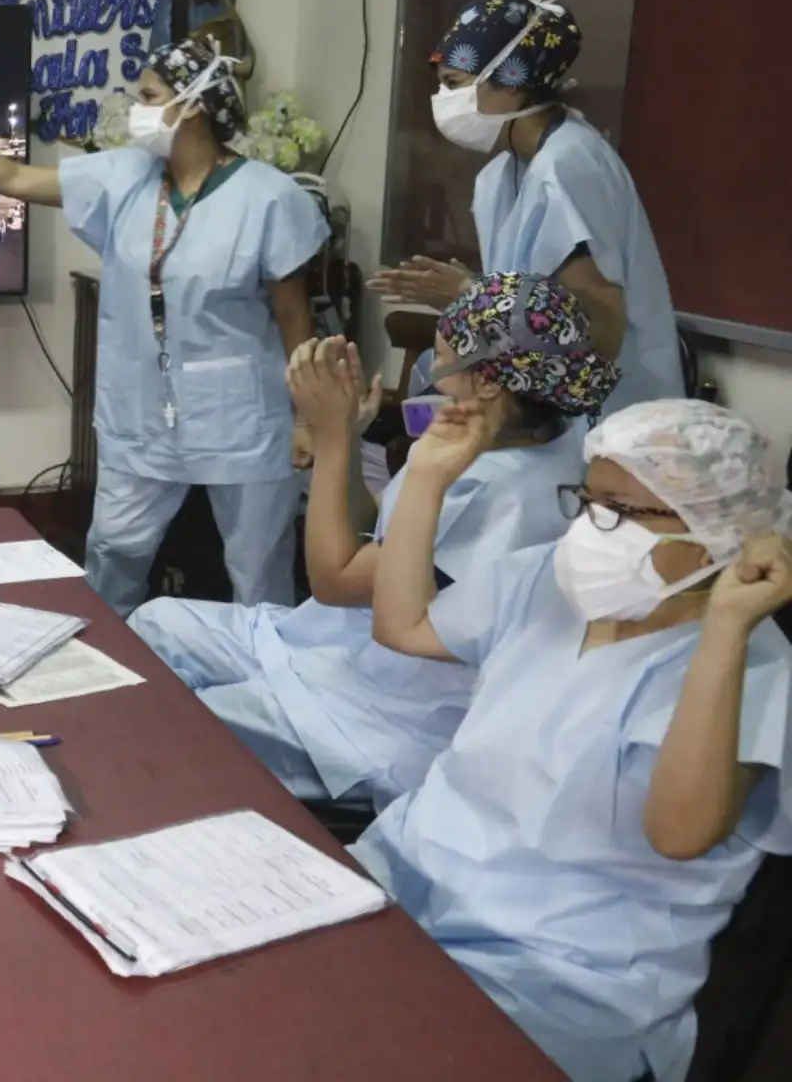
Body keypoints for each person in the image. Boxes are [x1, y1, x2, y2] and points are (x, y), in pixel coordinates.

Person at [363, 398, 792, 1081]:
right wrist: (427, 475)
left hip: (556, 972)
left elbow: (680, 833)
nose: (594, 531)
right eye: (589, 501)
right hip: (403, 876)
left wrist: (726, 627)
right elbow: (403, 627)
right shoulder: (547, 581)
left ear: (720, 530)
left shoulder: (754, 671)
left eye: (624, 512)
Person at [130, 271, 620, 806]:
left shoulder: (500, 489)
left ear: (487, 382)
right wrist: (350, 438)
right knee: (156, 624)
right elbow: (373, 530)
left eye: (440, 359)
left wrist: (332, 436)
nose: (432, 376)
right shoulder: (523, 440)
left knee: (167, 726)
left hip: (379, 714)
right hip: (334, 648)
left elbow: (334, 580)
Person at [0, 37, 324, 613]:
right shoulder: (125, 175)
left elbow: (295, 316)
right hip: (141, 415)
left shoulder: (269, 197)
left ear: (193, 104)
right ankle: (106, 678)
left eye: (149, 95)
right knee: (114, 552)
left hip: (242, 419)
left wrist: (311, 418)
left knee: (259, 569)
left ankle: (268, 688)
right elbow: (18, 181)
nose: (137, 108)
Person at [370, 0, 679, 415]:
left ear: (512, 83)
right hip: (538, 411)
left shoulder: (568, 165)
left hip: (608, 421)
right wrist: (473, 296)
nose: (442, 100)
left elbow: (601, 328)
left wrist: (472, 295)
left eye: (455, 84)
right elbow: (531, 298)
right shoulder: (502, 176)